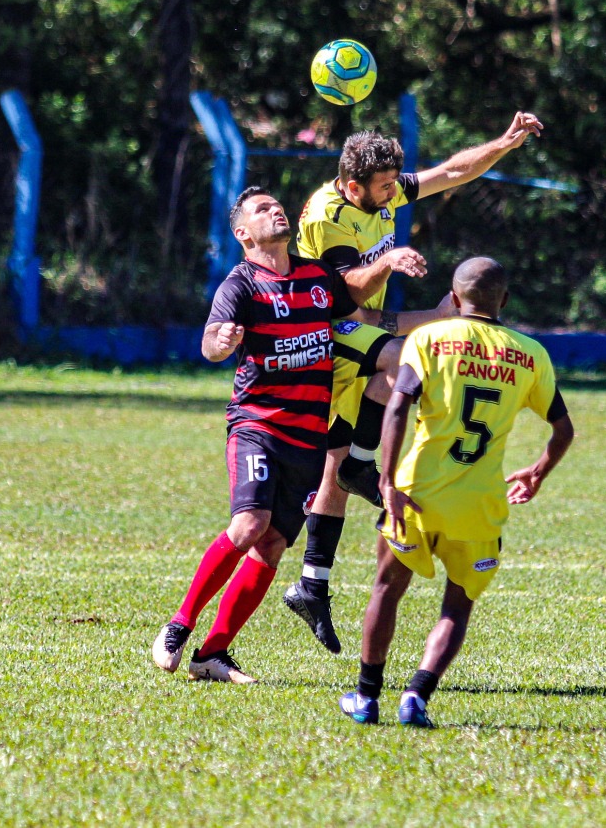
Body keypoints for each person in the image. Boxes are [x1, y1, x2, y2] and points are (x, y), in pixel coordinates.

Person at [283, 112, 545, 656]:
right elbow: (349, 293)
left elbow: (451, 172)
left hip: (360, 327)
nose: (391, 196)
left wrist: (504, 139)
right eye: (382, 189)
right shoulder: (329, 215)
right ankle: (367, 465)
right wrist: (396, 269)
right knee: (411, 366)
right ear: (353, 186)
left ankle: (313, 582)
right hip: (328, 331)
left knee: (339, 461)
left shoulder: (378, 193)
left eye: (392, 187)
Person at [150, 186, 396, 684]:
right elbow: (211, 344)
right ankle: (179, 624)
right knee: (248, 525)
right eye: (263, 209)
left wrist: (409, 282)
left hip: (309, 437)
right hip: (258, 425)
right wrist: (219, 343)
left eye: (277, 205)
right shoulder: (240, 285)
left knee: (273, 544)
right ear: (243, 233)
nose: (276, 209)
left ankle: (212, 655)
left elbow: (365, 312)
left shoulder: (317, 276)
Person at [338, 256, 574, 726]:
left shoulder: (428, 338)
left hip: (416, 492)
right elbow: (563, 429)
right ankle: (417, 696)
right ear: (503, 300)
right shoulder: (530, 353)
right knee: (457, 603)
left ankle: (366, 697)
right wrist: (538, 472)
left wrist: (385, 479)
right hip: (479, 503)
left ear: (453, 293)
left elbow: (399, 405)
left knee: (387, 587)